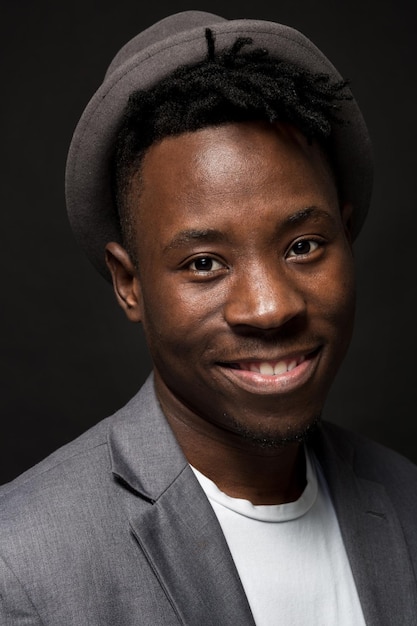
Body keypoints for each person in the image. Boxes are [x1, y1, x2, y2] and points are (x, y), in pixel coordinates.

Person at [1, 9, 416, 625]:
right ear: (129, 283)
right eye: (203, 263)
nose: (270, 307)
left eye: (302, 246)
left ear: (348, 240)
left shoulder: (408, 502)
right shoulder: (22, 564)